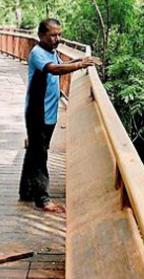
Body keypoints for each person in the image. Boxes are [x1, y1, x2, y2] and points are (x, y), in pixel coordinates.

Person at [18, 19, 102, 213]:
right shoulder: (38, 53)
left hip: (48, 112)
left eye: (59, 34)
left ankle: (26, 191)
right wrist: (80, 64)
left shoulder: (51, 51)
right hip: (37, 113)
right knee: (39, 154)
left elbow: (61, 64)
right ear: (41, 36)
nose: (57, 39)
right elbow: (54, 69)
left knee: (35, 151)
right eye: (53, 35)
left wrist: (79, 62)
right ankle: (43, 199)